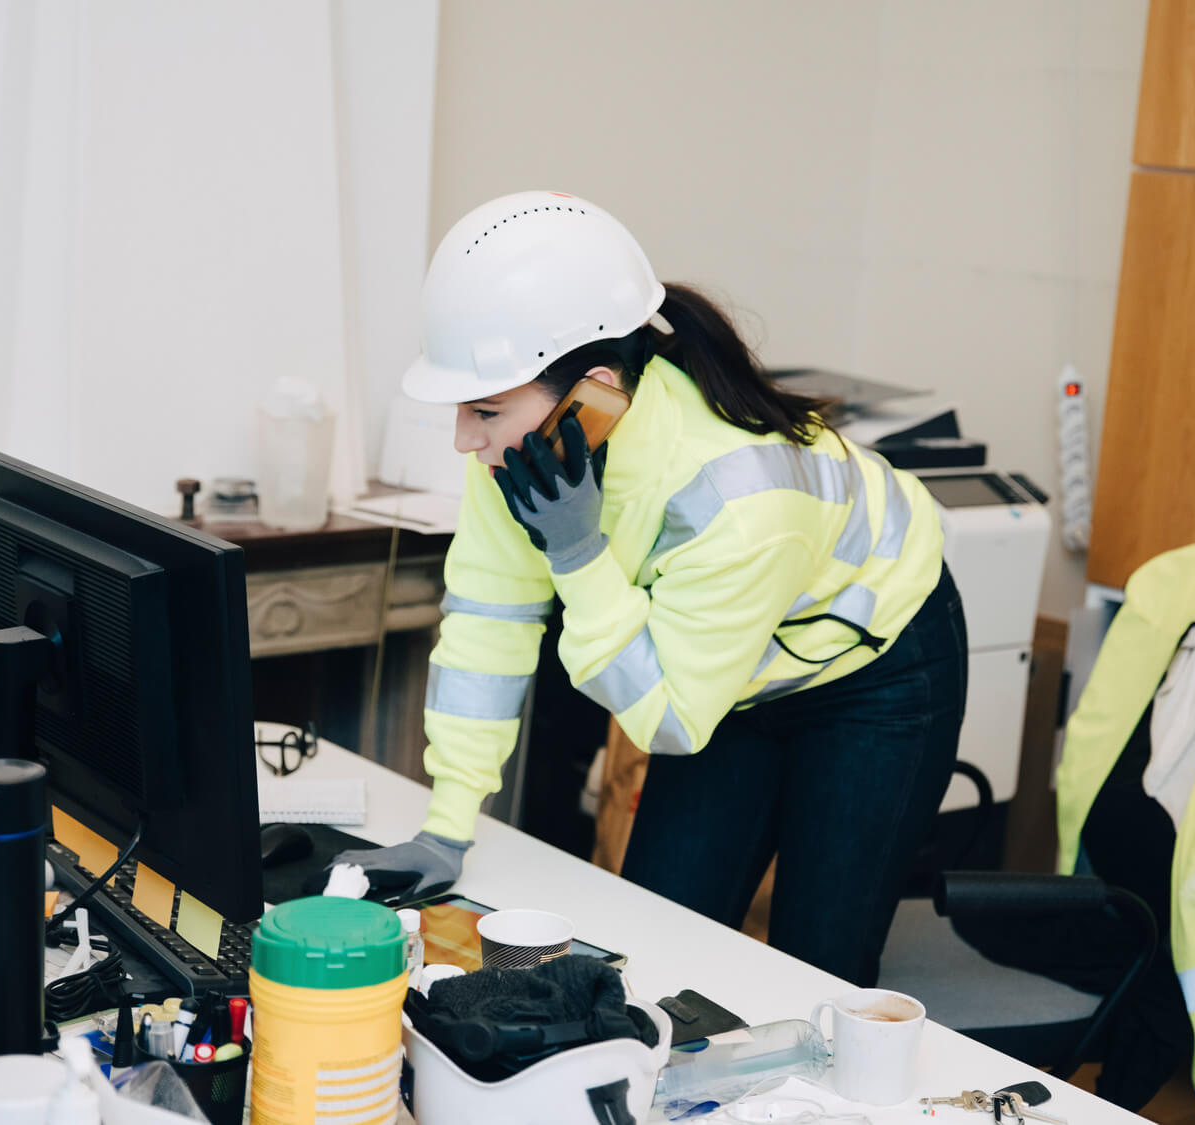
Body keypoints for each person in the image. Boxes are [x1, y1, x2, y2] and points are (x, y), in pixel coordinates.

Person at [346, 190, 967, 985]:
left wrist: (576, 553)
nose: (467, 438)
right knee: (657, 938)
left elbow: (670, 716)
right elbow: (486, 622)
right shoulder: (525, 452)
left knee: (821, 965)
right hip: (726, 678)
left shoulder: (738, 497)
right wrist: (446, 827)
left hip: (874, 674)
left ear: (592, 391)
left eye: (485, 409)